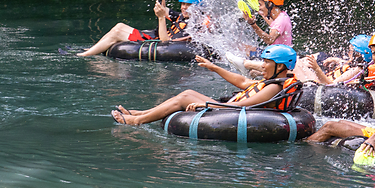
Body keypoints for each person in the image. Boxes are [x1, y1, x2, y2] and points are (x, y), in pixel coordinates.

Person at [111, 45, 302, 125]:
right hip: (232, 111)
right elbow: (243, 82)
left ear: (281, 66)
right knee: (188, 92)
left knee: (186, 96)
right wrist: (214, 68)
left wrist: (206, 105)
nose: (262, 65)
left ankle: (137, 121)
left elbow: (243, 105)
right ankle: (143, 113)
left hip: (235, 114)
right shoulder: (272, 82)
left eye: (267, 62)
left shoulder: (274, 88)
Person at [307, 31, 375, 152]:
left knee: (329, 127)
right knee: (341, 122)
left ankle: (304, 149)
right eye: (374, 53)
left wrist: (373, 140)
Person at [76, 0, 203, 57]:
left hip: (159, 44)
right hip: (155, 38)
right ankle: (92, 50)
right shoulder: (181, 17)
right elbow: (161, 9)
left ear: (198, 7)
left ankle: (85, 55)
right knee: (119, 26)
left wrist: (161, 19)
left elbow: (166, 44)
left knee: (117, 32)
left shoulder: (193, 26)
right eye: (183, 4)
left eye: (189, 5)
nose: (184, 8)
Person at [227, 0, 294, 74]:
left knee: (244, 53)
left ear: (269, 4)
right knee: (242, 47)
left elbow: (269, 40)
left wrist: (253, 24)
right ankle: (257, 71)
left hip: (278, 59)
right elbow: (273, 24)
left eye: (260, 4)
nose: (259, 7)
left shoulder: (281, 21)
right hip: (279, 54)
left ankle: (245, 65)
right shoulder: (282, 16)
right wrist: (260, 12)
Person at [296, 34, 372, 84]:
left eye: (350, 51)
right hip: (325, 79)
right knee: (308, 59)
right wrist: (335, 60)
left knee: (297, 63)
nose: (348, 53)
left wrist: (316, 68)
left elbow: (331, 86)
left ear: (358, 54)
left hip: (320, 86)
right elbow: (347, 65)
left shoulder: (356, 71)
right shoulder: (358, 66)